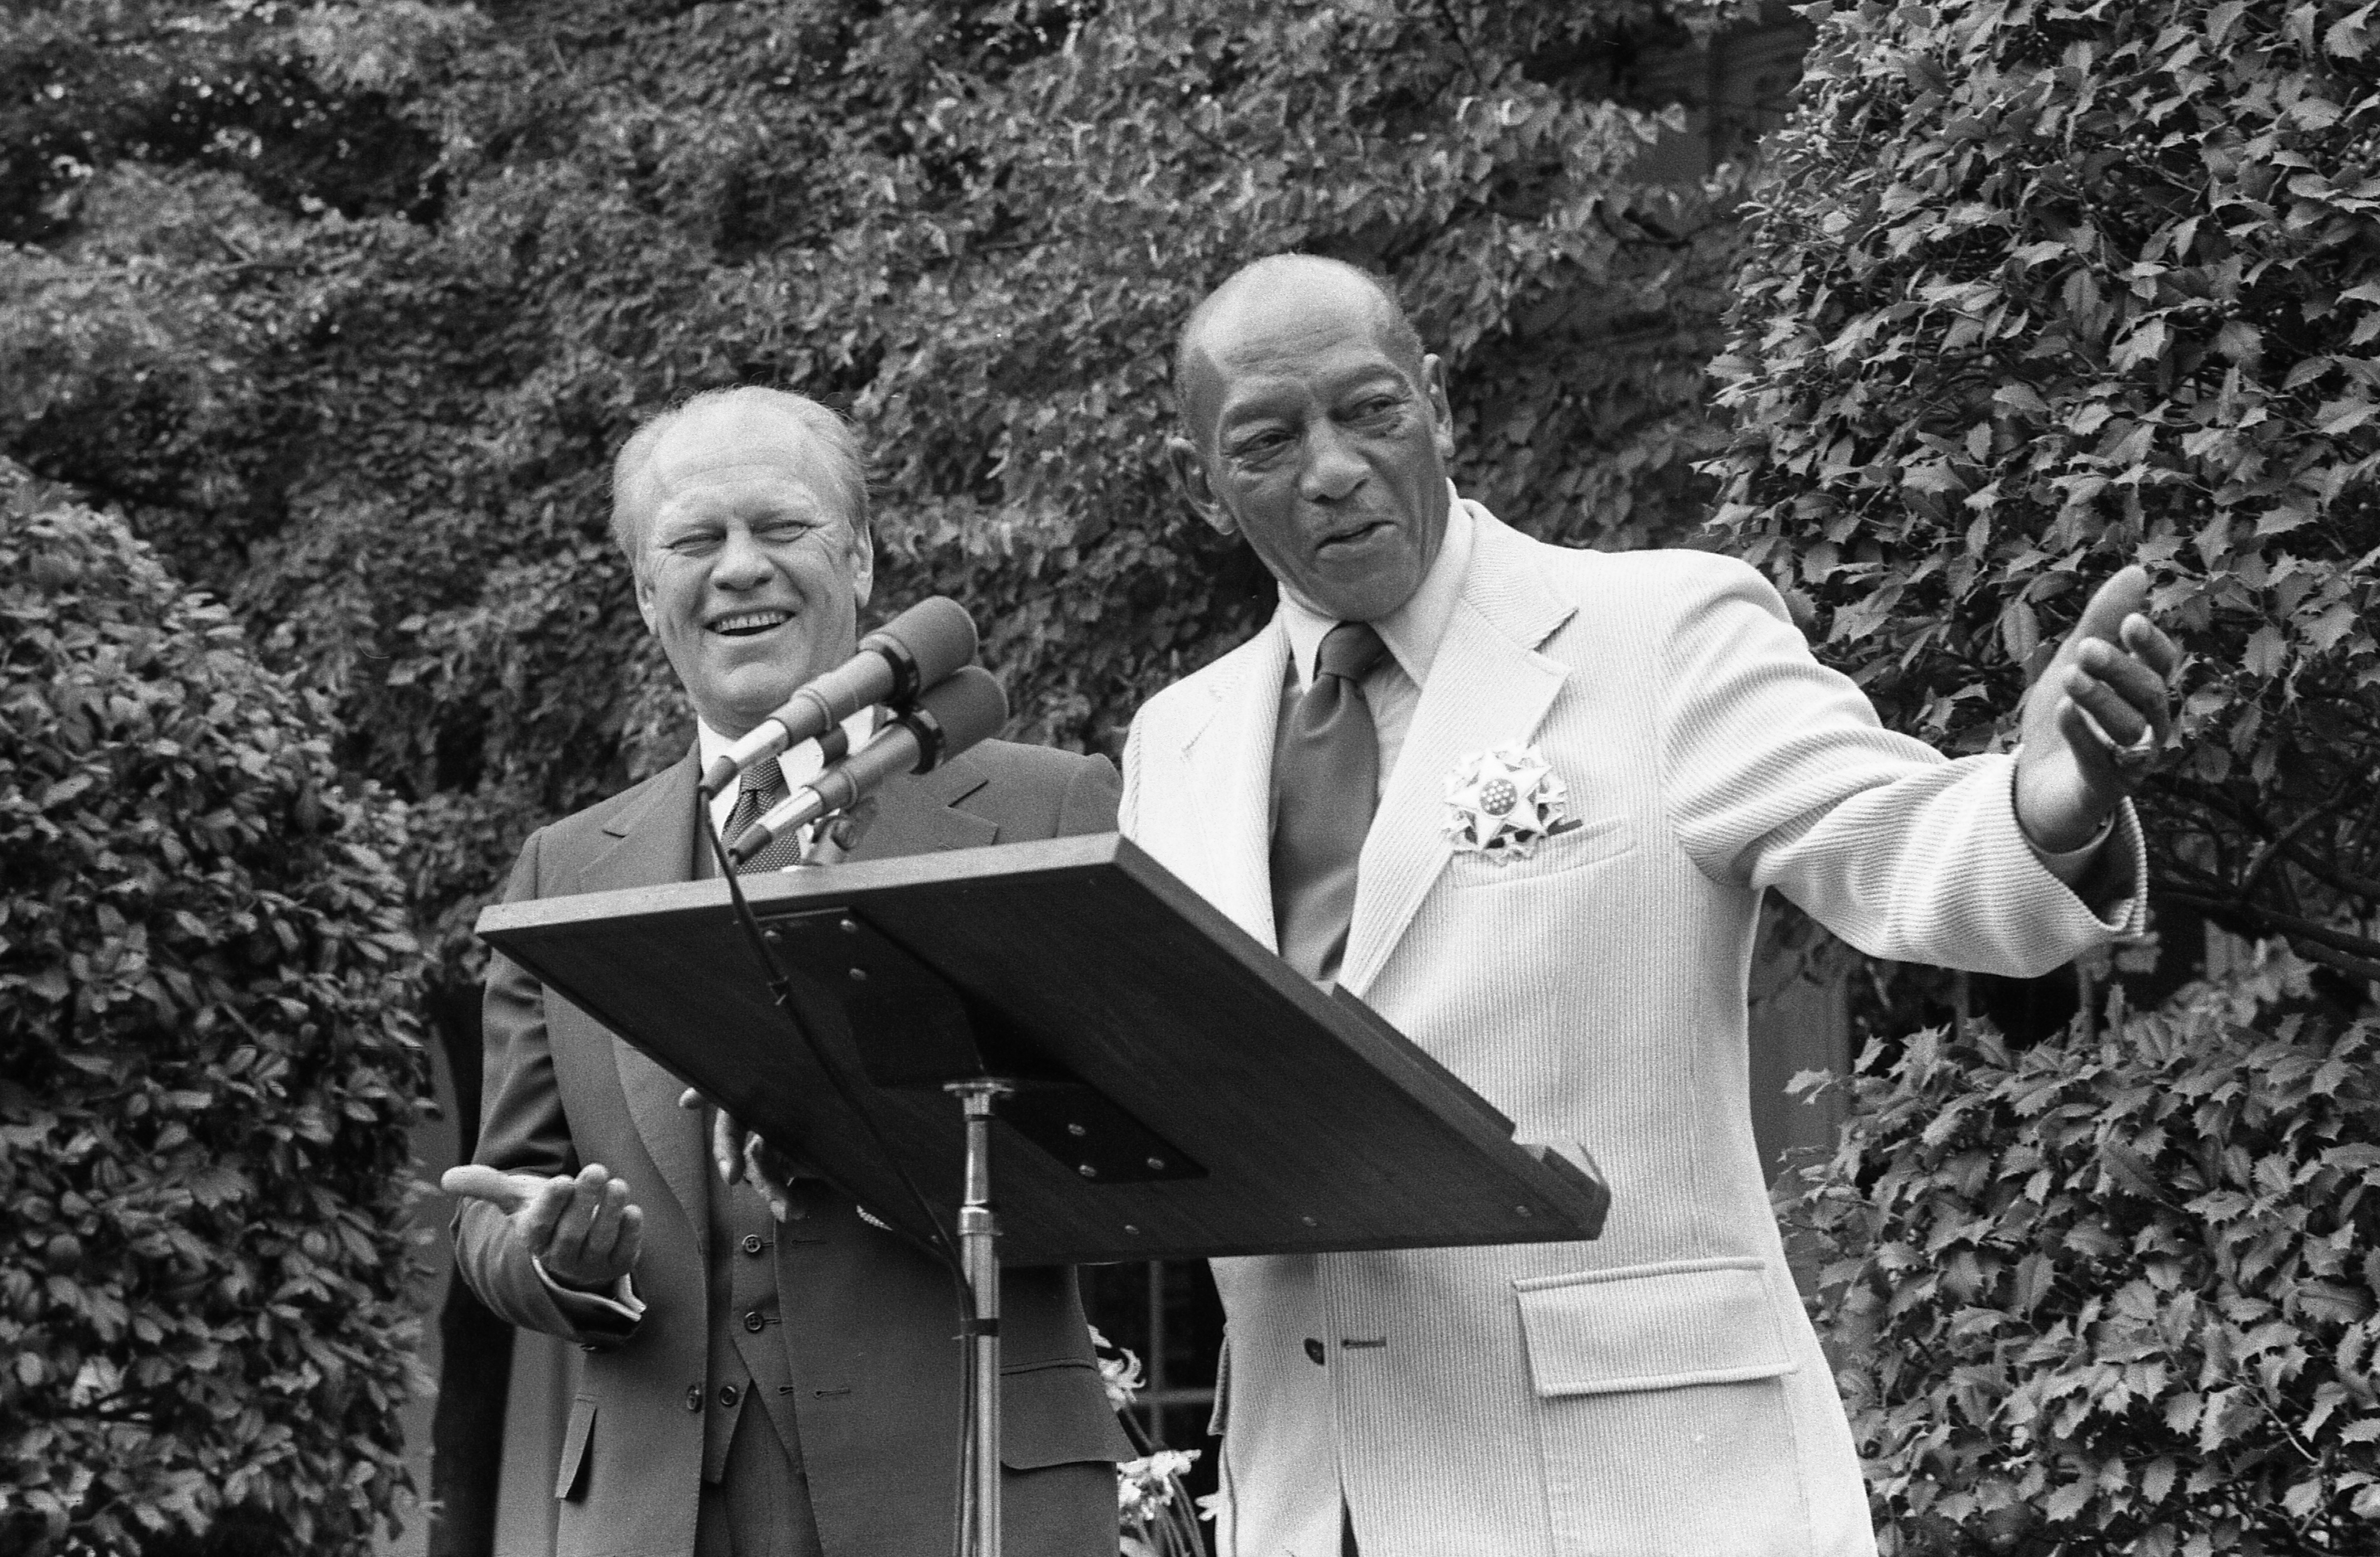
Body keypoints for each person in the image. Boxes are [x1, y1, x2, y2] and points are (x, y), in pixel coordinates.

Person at [1118, 256, 2181, 1557]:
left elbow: (1895, 838)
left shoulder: (1659, 631)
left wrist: (2043, 803)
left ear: (1436, 404)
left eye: (1370, 410)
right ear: (1203, 483)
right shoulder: (1177, 743)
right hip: (1307, 1500)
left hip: (1638, 1488)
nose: (1333, 467)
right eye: (1269, 442)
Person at [443, 387, 1131, 1557]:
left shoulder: (1046, 807)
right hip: (653, 1518)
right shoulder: (564, 868)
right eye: (694, 542)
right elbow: (496, 1204)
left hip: (971, 1493)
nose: (739, 569)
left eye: (780, 528)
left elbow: (1126, 1152)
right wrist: (551, 1258)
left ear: (857, 558)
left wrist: (870, 1126)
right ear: (645, 592)